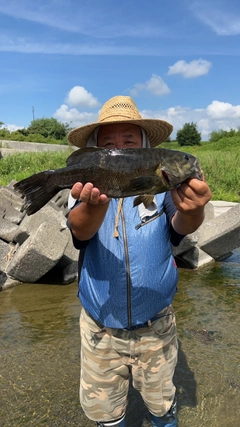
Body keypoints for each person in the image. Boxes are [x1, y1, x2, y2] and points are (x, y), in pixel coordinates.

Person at [67, 96, 212, 427]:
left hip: (156, 327)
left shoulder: (163, 186)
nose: (121, 147)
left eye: (129, 141)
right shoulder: (83, 186)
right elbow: (79, 231)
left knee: (162, 407)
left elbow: (180, 228)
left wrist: (195, 209)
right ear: (96, 148)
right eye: (109, 143)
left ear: (145, 146)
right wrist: (96, 202)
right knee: (106, 415)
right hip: (100, 326)